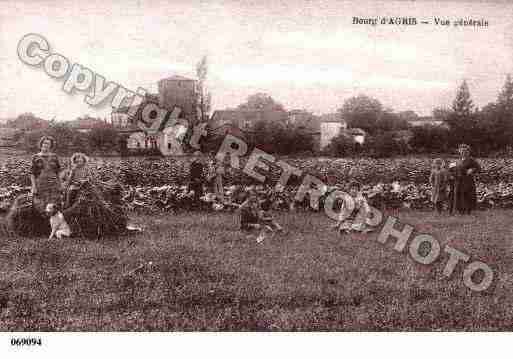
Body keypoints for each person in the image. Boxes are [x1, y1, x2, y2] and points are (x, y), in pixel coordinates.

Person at [30, 136, 63, 214]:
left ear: (51, 145)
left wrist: (60, 184)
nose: (46, 145)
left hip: (53, 184)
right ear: (41, 144)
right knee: (41, 206)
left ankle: (53, 224)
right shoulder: (36, 157)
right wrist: (34, 187)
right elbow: (32, 173)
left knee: (54, 206)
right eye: (44, 143)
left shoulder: (54, 157)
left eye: (48, 143)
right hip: (41, 185)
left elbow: (58, 172)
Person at [449, 144, 481, 215]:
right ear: (459, 151)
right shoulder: (457, 160)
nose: (464, 152)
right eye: (462, 151)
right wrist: (451, 174)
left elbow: (478, 168)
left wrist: (472, 169)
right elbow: (451, 169)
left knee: (467, 195)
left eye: (465, 151)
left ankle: (468, 210)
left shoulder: (471, 160)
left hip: (467, 181)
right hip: (458, 180)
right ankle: (460, 211)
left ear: (468, 152)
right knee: (459, 195)